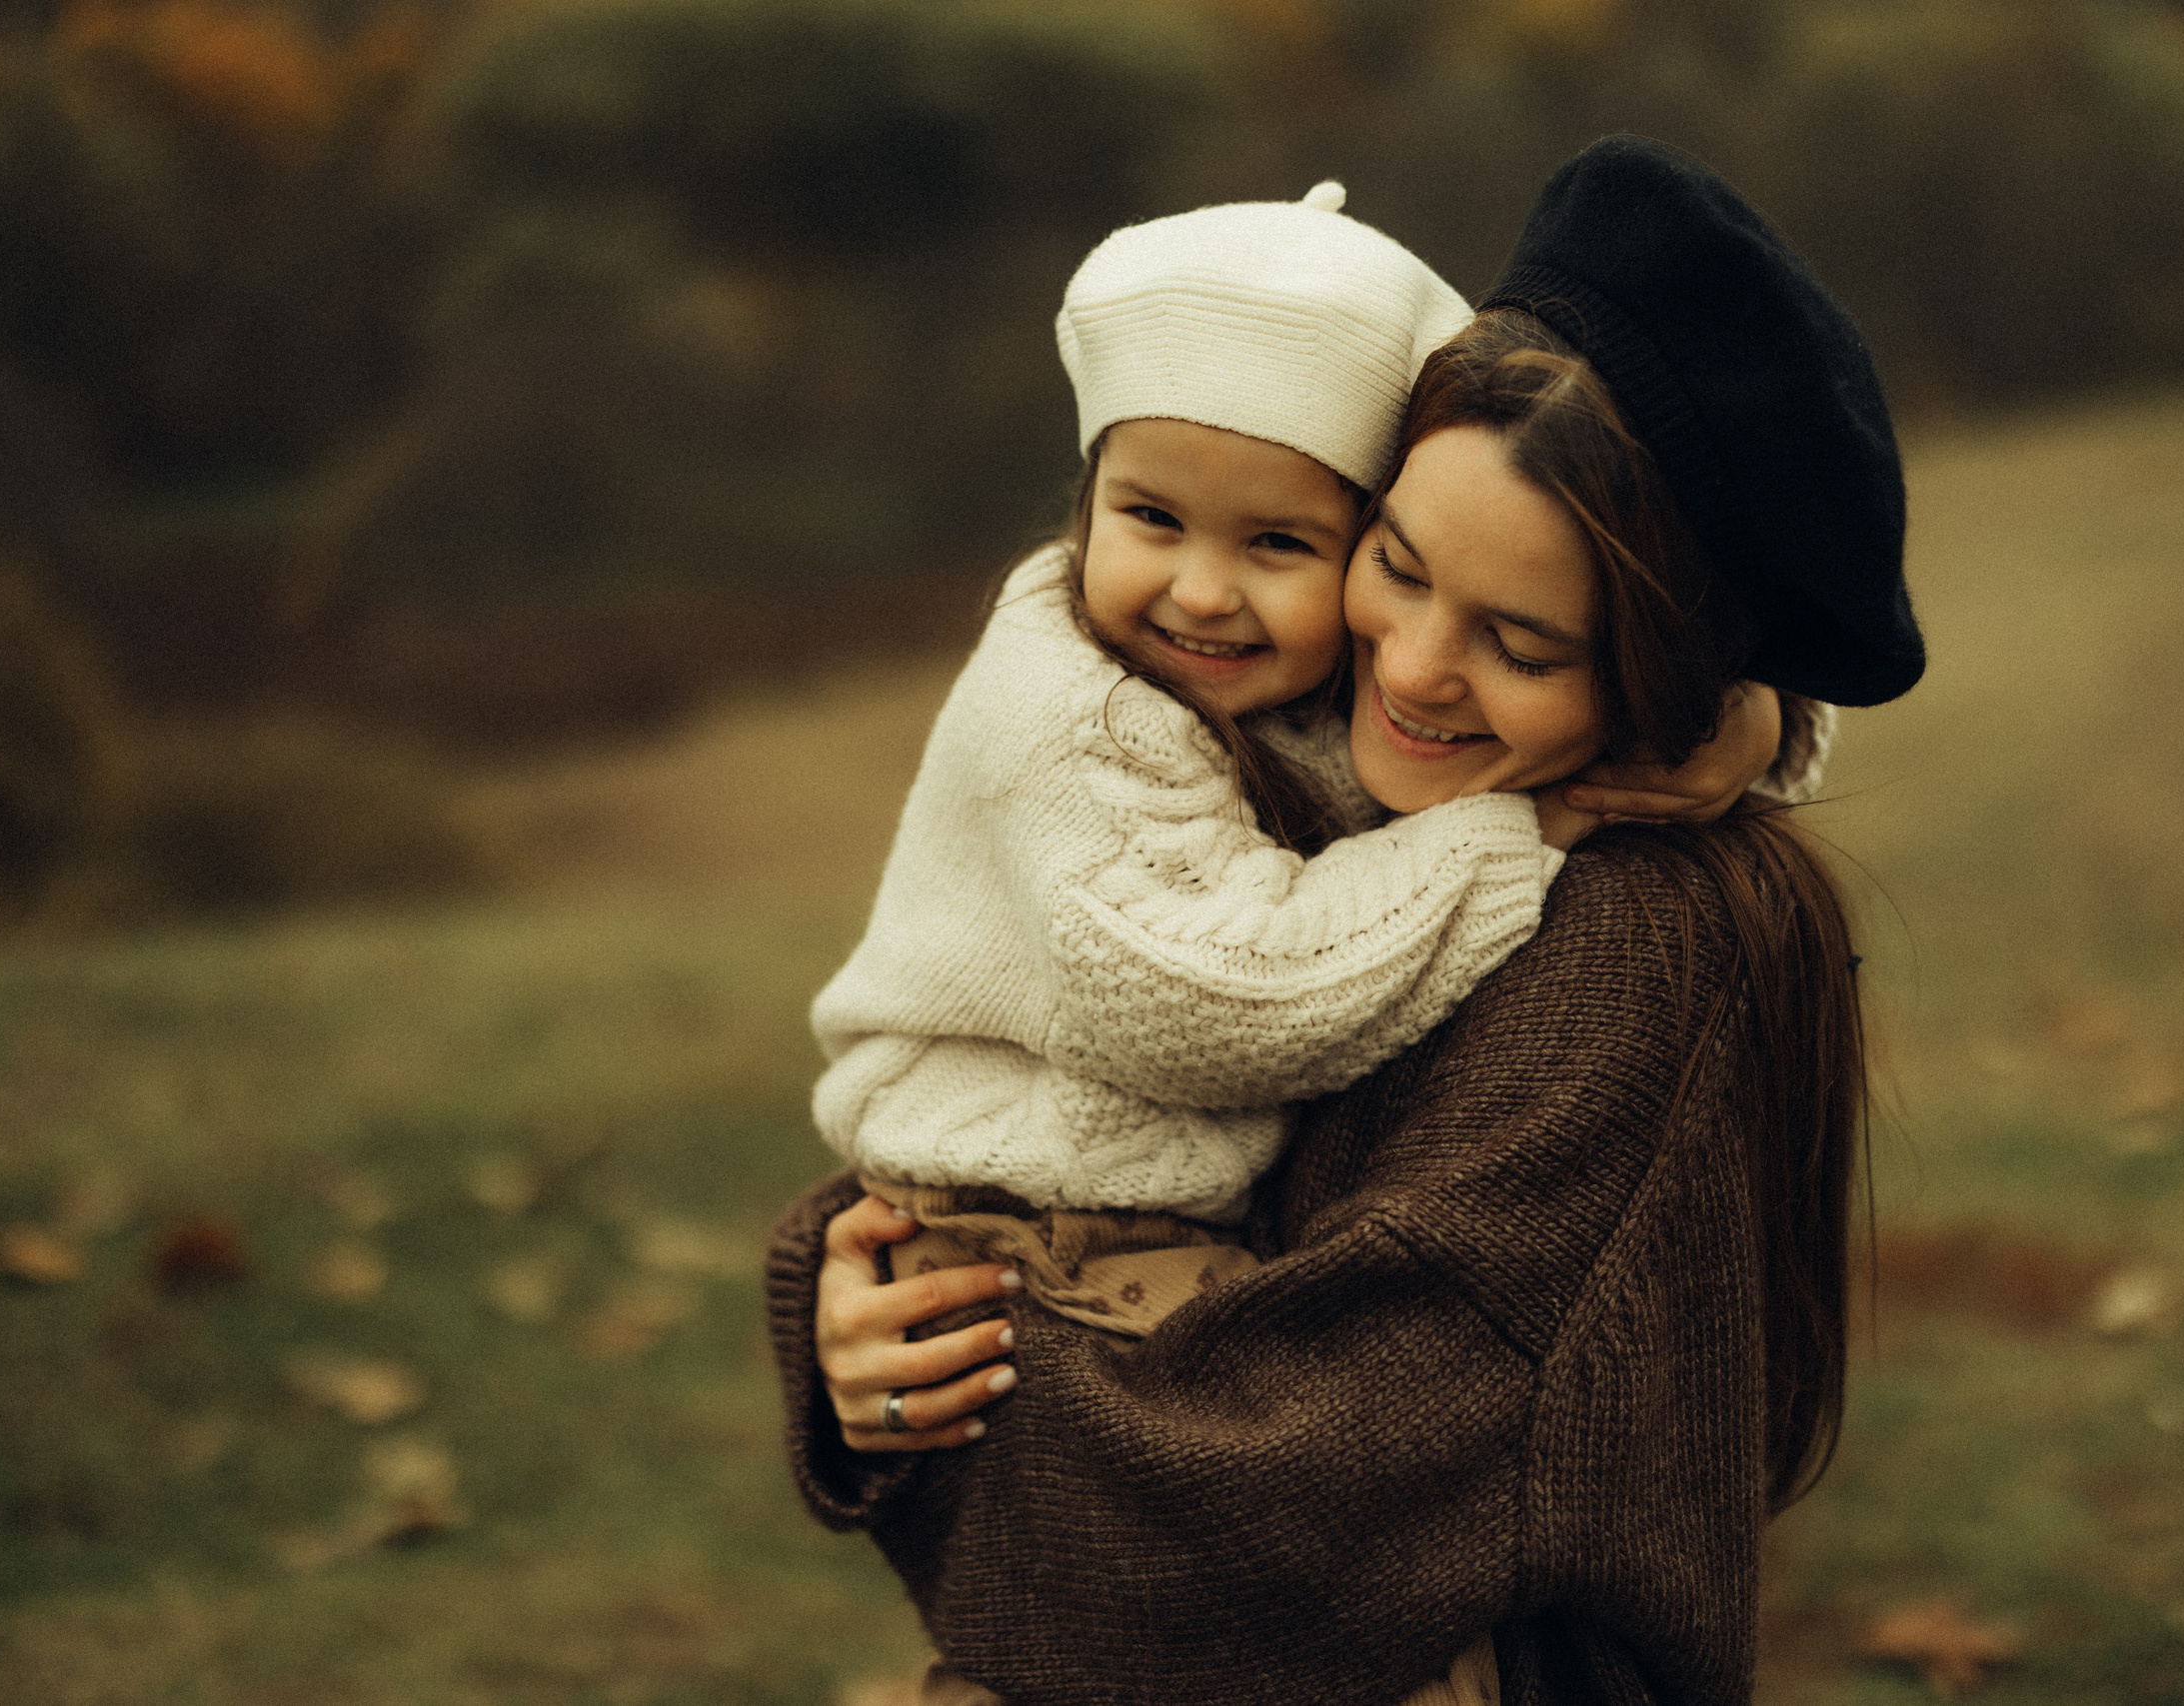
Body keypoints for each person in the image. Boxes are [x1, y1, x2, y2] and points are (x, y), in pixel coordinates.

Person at [767, 137, 1923, 1705]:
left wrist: (949, 1371)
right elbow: (1104, 1078)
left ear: (1653, 683)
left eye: (1517, 639)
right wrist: (859, 1290)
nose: (1414, 665)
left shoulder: (1628, 941)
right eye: (1397, 560)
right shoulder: (1327, 760)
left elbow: (1258, 1490)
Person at [811, 183, 1805, 1342]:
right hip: (1019, 1217)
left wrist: (1746, 719)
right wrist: (1518, 834)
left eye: (1278, 544)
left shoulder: (1304, 677)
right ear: (1084, 499)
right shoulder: (1077, 710)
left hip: (1140, 1212)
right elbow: (1205, 999)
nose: (1200, 590)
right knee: (1265, 1405)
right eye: (1149, 519)